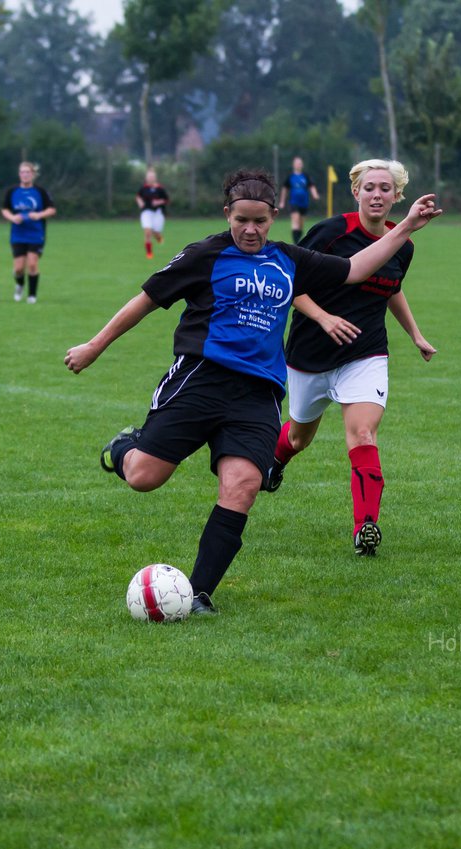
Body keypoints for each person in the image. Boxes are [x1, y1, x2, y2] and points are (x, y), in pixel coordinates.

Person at [64, 169, 441, 614]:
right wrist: (94, 346)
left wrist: (409, 228)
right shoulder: (206, 254)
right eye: (241, 219)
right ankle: (124, 447)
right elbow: (146, 299)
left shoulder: (289, 259)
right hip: (200, 380)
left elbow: (357, 268)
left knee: (243, 485)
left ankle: (200, 593)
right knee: (146, 478)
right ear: (228, 214)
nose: (250, 229)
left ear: (273, 218)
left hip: (258, 394)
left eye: (260, 221)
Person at [266, 159, 436, 557]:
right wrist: (324, 318)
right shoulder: (331, 233)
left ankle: (366, 528)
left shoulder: (402, 244)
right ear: (356, 192)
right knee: (297, 436)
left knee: (363, 435)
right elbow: (288, 279)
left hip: (366, 353)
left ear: (398, 196)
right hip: (310, 354)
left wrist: (415, 333)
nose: (378, 195)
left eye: (386, 188)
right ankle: (275, 460)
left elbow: (391, 288)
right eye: (370, 187)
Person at [2, 162, 57, 304]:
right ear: (19, 174)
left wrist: (38, 215)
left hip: (36, 234)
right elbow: (5, 209)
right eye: (22, 172)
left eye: (28, 172)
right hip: (18, 234)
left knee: (32, 264)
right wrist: (13, 217)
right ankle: (19, 284)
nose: (25, 175)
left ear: (33, 174)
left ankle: (32, 296)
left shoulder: (40, 191)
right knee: (19, 268)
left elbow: (52, 209)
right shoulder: (12, 191)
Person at [285, 156, 320, 243]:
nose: (298, 165)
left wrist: (315, 194)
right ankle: (295, 244)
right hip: (294, 203)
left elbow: (311, 186)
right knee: (295, 222)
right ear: (293, 165)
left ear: (302, 165)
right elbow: (285, 188)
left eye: (300, 163)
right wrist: (282, 201)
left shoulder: (305, 176)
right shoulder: (291, 177)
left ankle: (298, 241)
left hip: (304, 203)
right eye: (297, 163)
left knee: (300, 225)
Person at [136, 168, 169, 260]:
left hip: (158, 213)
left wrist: (158, 202)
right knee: (147, 232)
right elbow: (138, 197)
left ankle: (159, 237)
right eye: (148, 177)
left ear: (155, 178)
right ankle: (149, 253)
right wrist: (140, 203)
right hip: (146, 212)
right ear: (146, 178)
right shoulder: (144, 188)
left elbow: (166, 200)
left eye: (152, 177)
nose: (150, 178)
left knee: (156, 233)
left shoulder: (160, 189)